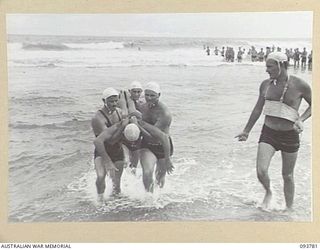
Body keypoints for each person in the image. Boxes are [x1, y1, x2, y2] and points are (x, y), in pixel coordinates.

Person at [235, 52, 311, 210]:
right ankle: (268, 192)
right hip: (268, 132)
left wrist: (301, 119)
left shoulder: (300, 85)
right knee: (261, 171)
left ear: (281, 65)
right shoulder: (265, 85)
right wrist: (246, 131)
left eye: (269, 66)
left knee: (287, 175)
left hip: (290, 134)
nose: (266, 70)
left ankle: (289, 209)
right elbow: (257, 109)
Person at [91, 88, 128, 198]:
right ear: (104, 101)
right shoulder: (98, 118)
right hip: (102, 150)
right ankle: (100, 200)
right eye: (111, 101)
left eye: (116, 101)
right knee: (101, 176)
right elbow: (109, 141)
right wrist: (107, 161)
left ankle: (116, 205)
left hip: (117, 149)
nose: (114, 104)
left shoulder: (119, 112)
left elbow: (123, 136)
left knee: (117, 182)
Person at [138, 81, 174, 192]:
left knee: (160, 176)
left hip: (163, 146)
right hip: (147, 146)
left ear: (159, 95)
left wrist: (168, 159)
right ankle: (149, 199)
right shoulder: (142, 106)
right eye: (147, 95)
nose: (149, 98)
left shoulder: (164, 114)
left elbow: (155, 136)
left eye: (152, 95)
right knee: (147, 173)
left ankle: (159, 198)